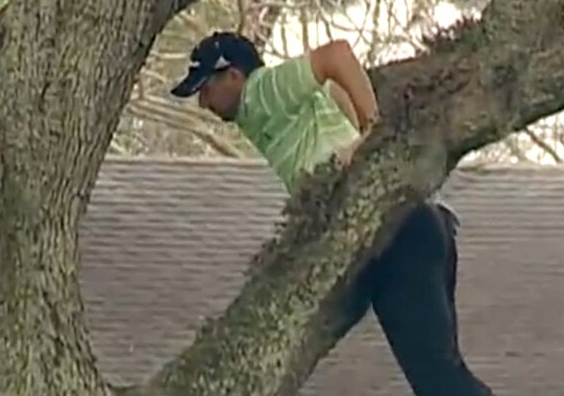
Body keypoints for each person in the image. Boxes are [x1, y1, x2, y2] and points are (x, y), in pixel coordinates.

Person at [170, 31, 493, 396]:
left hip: (394, 237)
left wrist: (373, 133)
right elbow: (334, 95)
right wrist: (352, 140)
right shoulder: (264, 114)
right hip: (411, 229)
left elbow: (336, 55)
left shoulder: (264, 90)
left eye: (205, 88)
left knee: (438, 380)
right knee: (439, 374)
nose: (202, 103)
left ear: (233, 76)